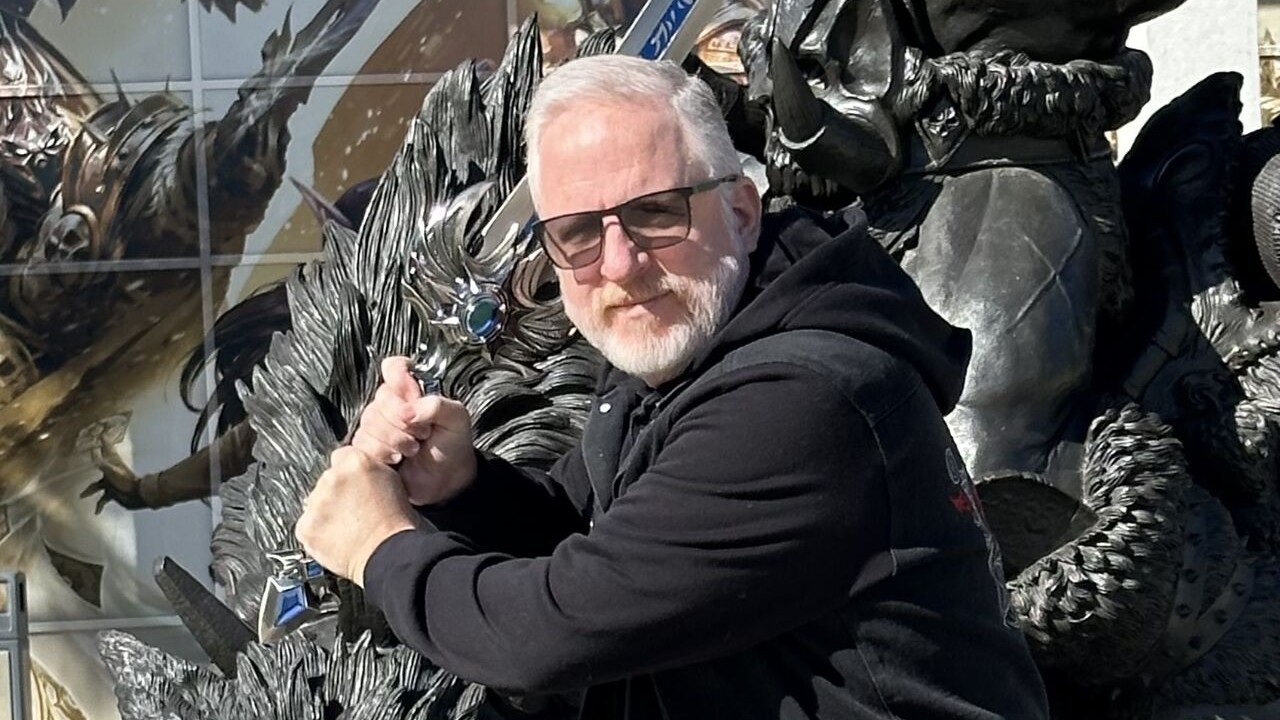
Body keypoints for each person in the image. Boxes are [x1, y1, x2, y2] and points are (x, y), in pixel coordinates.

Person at [295, 55, 1050, 719]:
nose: (619, 264)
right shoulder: (680, 369)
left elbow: (550, 632)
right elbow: (601, 550)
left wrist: (378, 547)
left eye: (656, 214)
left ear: (742, 212)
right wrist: (463, 487)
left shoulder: (801, 402)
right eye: (578, 233)